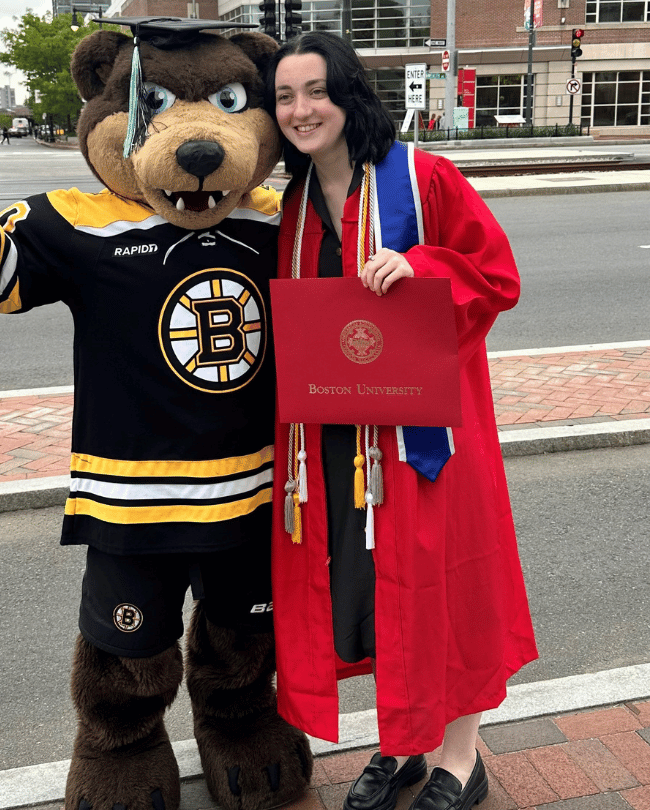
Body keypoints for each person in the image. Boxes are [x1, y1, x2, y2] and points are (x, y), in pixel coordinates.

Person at [264, 31, 538, 810]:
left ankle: (461, 756)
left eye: (314, 90)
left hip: (426, 442)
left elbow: (497, 277)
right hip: (338, 443)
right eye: (284, 96)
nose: (300, 109)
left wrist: (421, 268)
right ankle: (402, 742)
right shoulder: (292, 205)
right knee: (381, 594)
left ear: (348, 94)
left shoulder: (424, 178)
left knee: (444, 593)